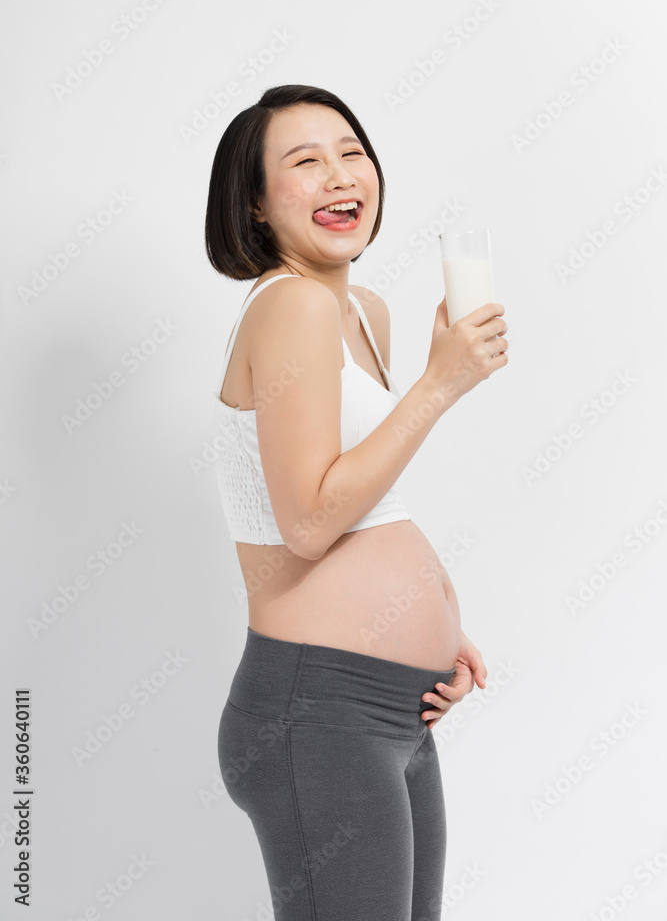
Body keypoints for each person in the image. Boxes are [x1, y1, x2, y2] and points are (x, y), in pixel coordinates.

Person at [206, 83, 509, 921]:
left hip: (388, 705)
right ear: (258, 206)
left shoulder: (361, 312)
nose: (340, 174)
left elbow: (361, 497)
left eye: (350, 152)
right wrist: (439, 383)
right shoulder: (293, 304)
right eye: (303, 162)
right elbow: (307, 522)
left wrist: (431, 629)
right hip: (318, 711)